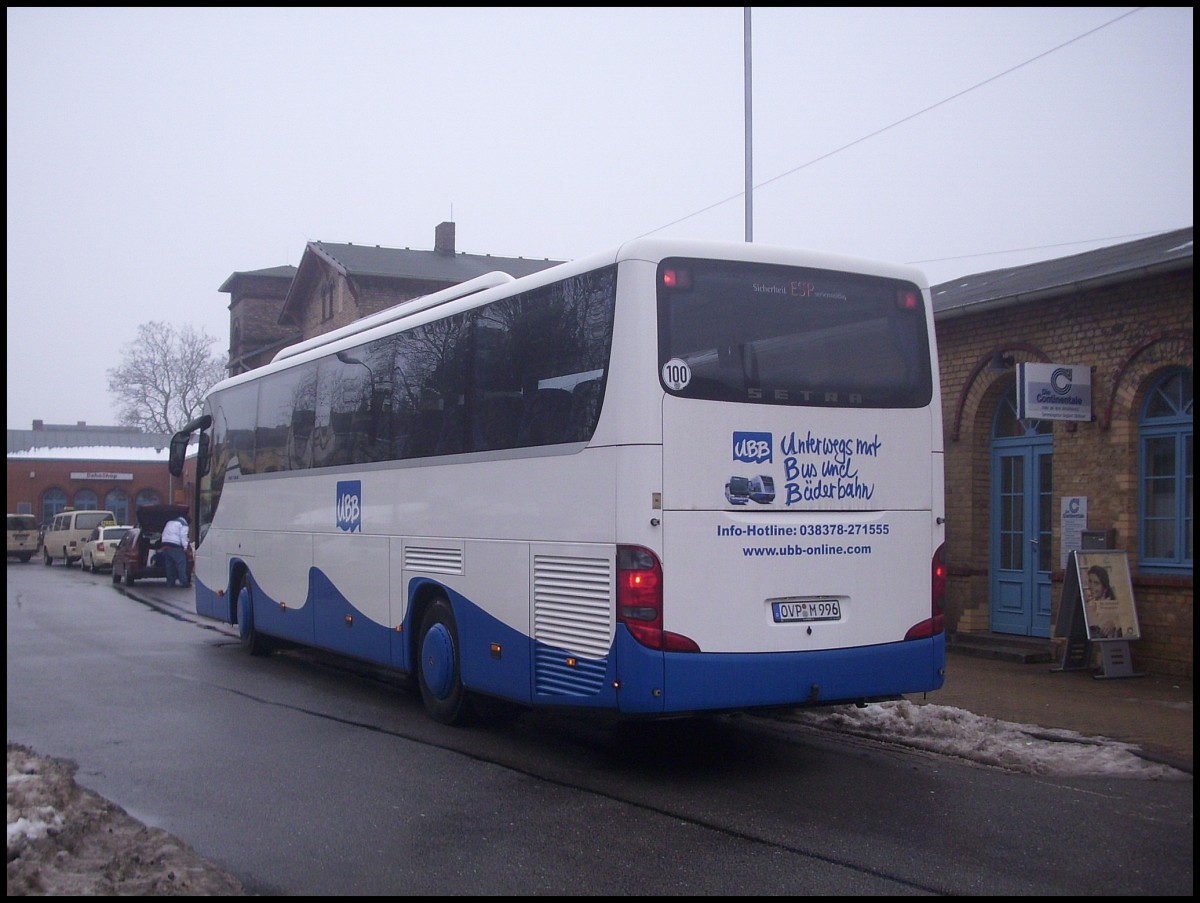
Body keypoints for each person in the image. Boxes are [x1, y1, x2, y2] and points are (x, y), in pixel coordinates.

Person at [1085, 564, 1119, 638]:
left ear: (1105, 588)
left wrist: (1114, 624)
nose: (1091, 586)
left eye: (1096, 583)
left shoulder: (1111, 606)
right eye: (1090, 581)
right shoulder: (1089, 604)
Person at [159, 514, 190, 588]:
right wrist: (185, 547)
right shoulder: (184, 524)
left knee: (170, 565)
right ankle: (184, 582)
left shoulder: (169, 522)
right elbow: (183, 536)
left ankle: (170, 583)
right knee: (181, 562)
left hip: (165, 544)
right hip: (174, 545)